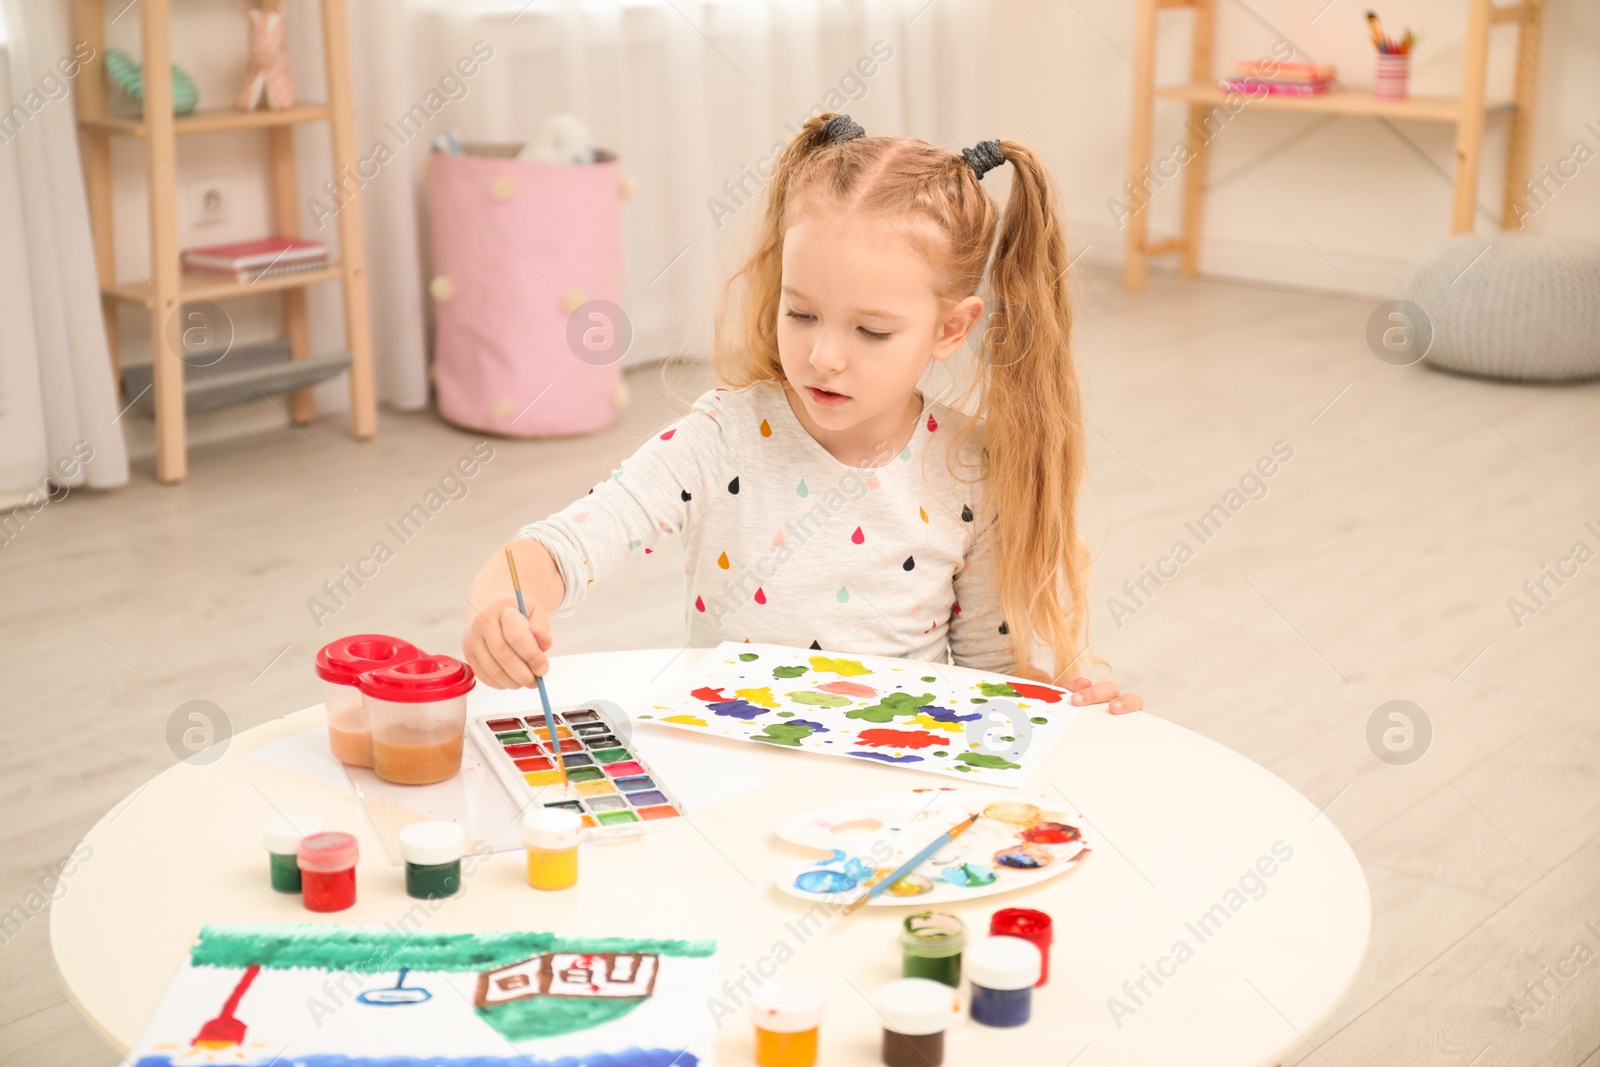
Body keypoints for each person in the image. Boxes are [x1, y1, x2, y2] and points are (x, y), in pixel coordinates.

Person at [463, 113, 1142, 715]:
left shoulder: (972, 466)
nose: (823, 355)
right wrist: (503, 602)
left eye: (870, 331)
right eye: (801, 312)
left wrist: (1062, 704)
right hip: (730, 766)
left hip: (891, 788)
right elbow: (562, 544)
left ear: (950, 329)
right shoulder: (721, 438)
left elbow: (989, 681)